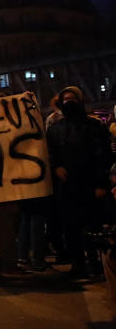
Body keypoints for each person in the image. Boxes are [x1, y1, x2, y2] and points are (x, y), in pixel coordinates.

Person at [46, 85, 111, 279]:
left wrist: (101, 184)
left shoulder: (94, 127)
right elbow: (50, 153)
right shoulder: (56, 129)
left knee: (92, 226)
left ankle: (95, 264)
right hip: (67, 186)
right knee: (70, 228)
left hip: (89, 182)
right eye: (65, 99)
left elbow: (103, 156)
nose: (68, 103)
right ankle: (78, 264)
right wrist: (56, 167)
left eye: (72, 98)